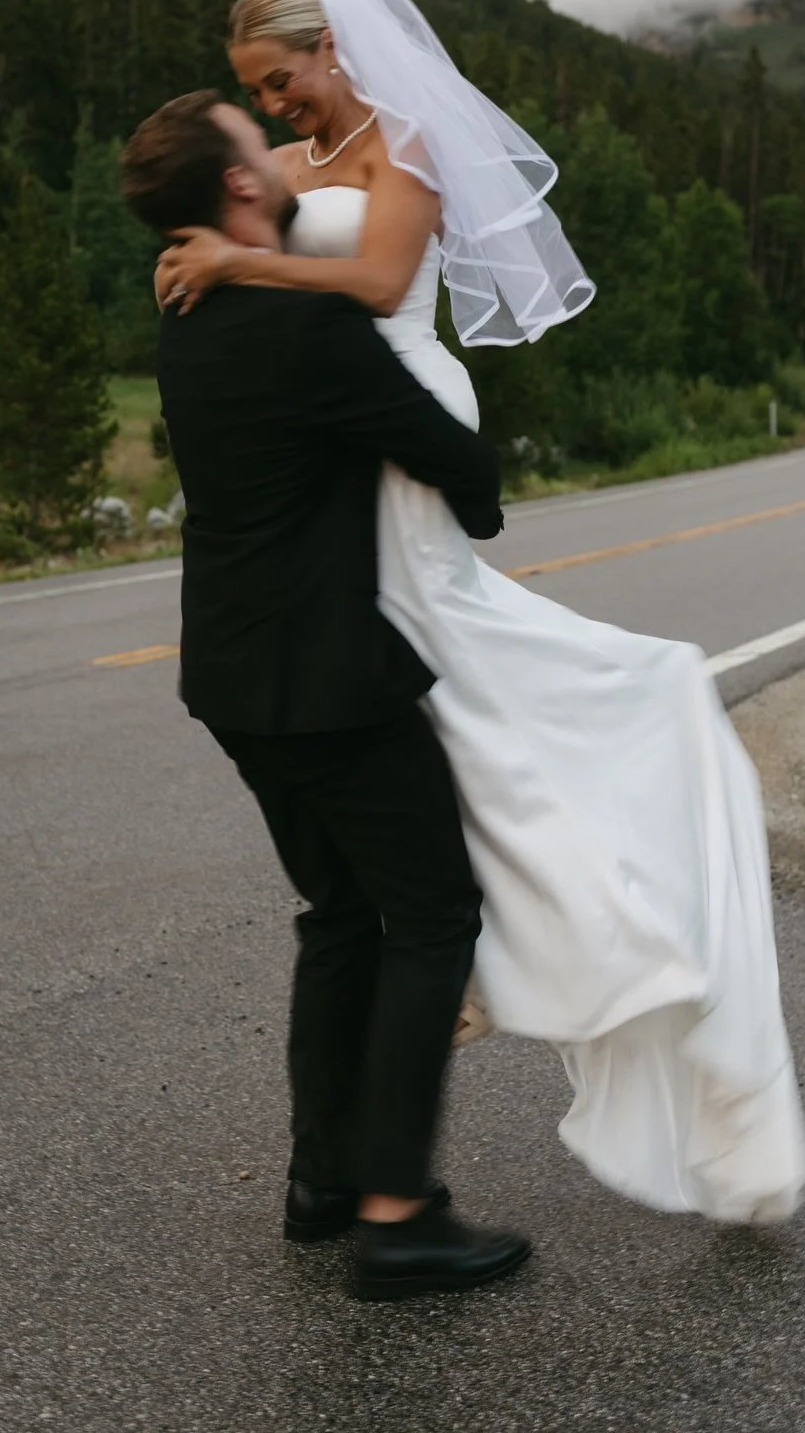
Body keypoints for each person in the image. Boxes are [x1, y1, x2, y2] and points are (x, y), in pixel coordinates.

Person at [152, 0, 805, 1225]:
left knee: (438, 652)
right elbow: (238, 250)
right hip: (336, 436)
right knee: (400, 687)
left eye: (282, 78)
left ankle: (518, 921)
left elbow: (377, 284)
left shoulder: (406, 151)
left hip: (399, 407)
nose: (275, 105)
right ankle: (469, 938)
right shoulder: (279, 170)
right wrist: (197, 261)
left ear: (333, 47)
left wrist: (240, 267)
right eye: (256, 90)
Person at [120, 91, 532, 1301]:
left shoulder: (189, 310)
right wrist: (471, 512)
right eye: (257, 140)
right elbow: (453, 457)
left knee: (341, 910)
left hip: (231, 675)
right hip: (332, 681)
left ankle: (322, 1179)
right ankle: (399, 1215)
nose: (278, 148)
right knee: (433, 915)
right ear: (241, 186)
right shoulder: (306, 327)